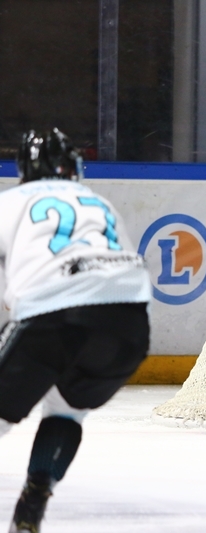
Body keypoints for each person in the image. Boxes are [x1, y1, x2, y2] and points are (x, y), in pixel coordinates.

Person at [0, 129, 151, 533]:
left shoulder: (10, 202)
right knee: (67, 409)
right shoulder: (99, 202)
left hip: (54, 316)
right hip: (130, 327)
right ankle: (33, 501)